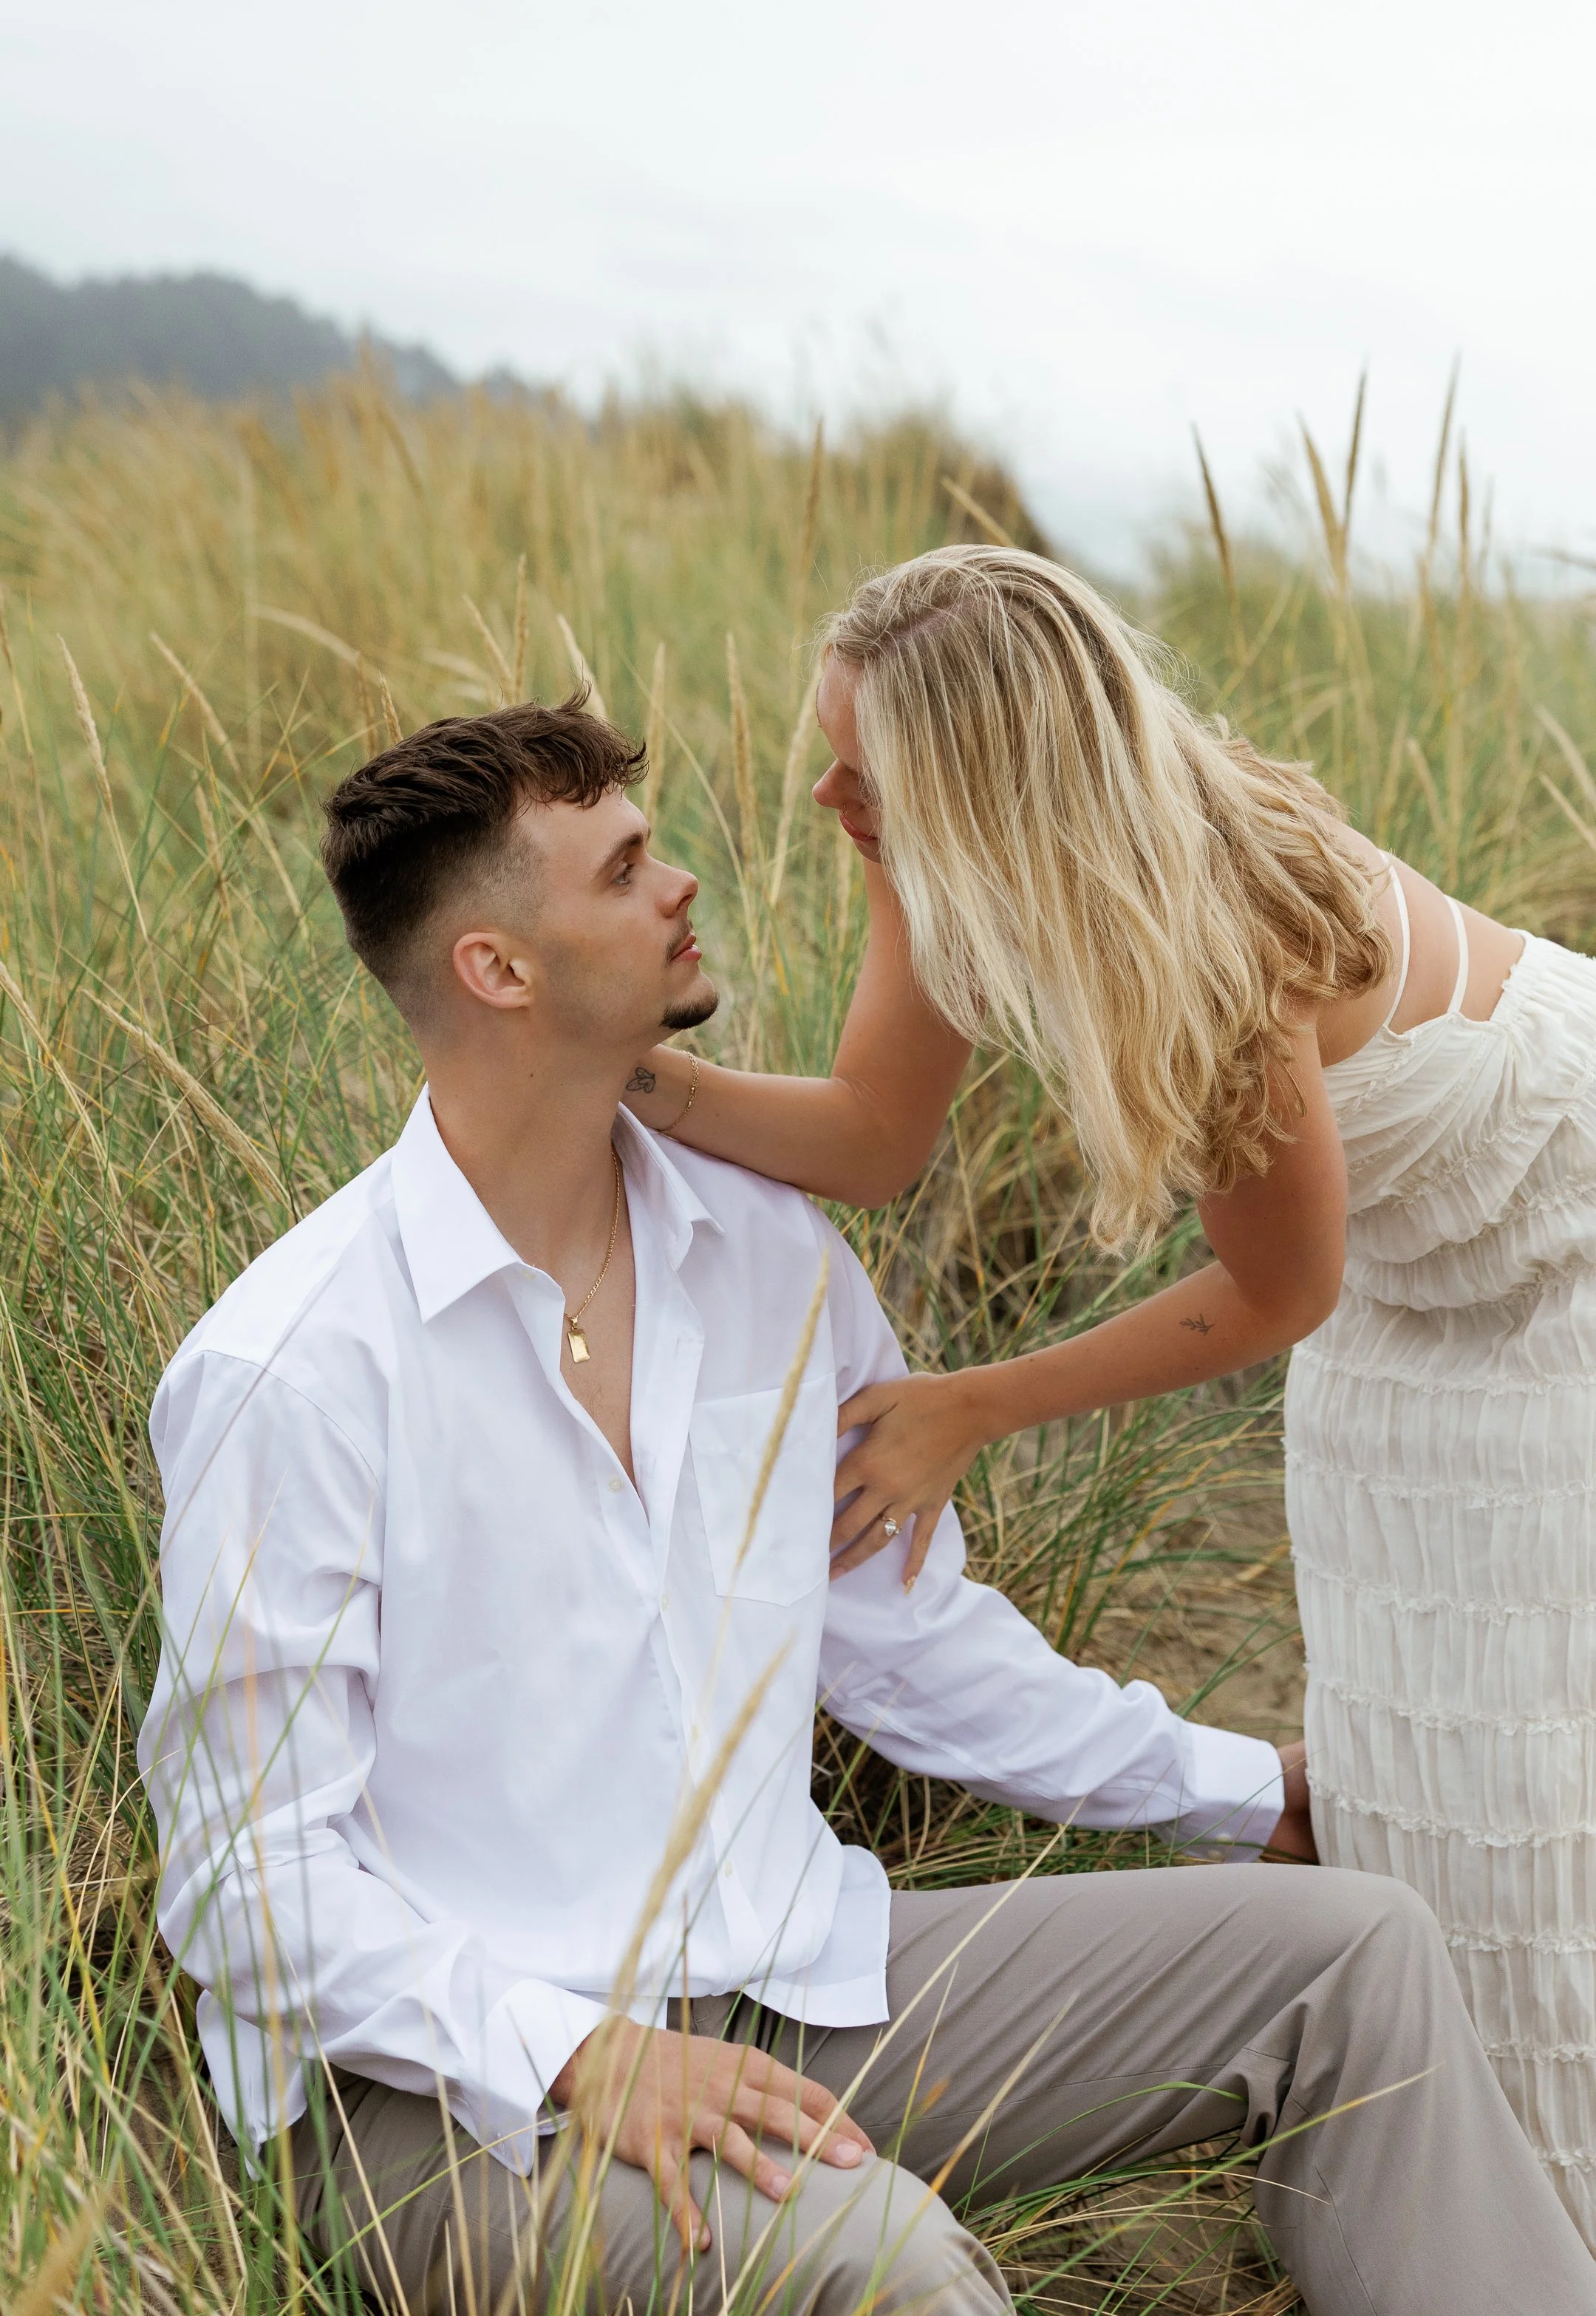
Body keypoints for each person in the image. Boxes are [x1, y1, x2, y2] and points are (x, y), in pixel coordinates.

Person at [137, 699, 1596, 2316]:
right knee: (878, 2263)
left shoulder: (765, 1259)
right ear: (499, 968)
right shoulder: (293, 1367)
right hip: (451, 2096)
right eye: (624, 869)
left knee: (1354, 1963)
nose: (682, 879)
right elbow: (243, 1875)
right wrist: (580, 2051)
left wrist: (1237, 1790)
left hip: (796, 1978)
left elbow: (909, 1643)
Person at [621, 543, 1596, 2245]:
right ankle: (1422, 2177)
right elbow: (876, 1127)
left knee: (1540, 1756)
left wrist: (969, 1402)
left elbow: (1280, 1291)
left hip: (1563, 1252)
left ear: (986, 777)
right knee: (1407, 1740)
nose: (826, 787)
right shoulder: (940, 861)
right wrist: (641, 1077)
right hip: (1410, 1287)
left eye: (866, 764)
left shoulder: (1209, 927)